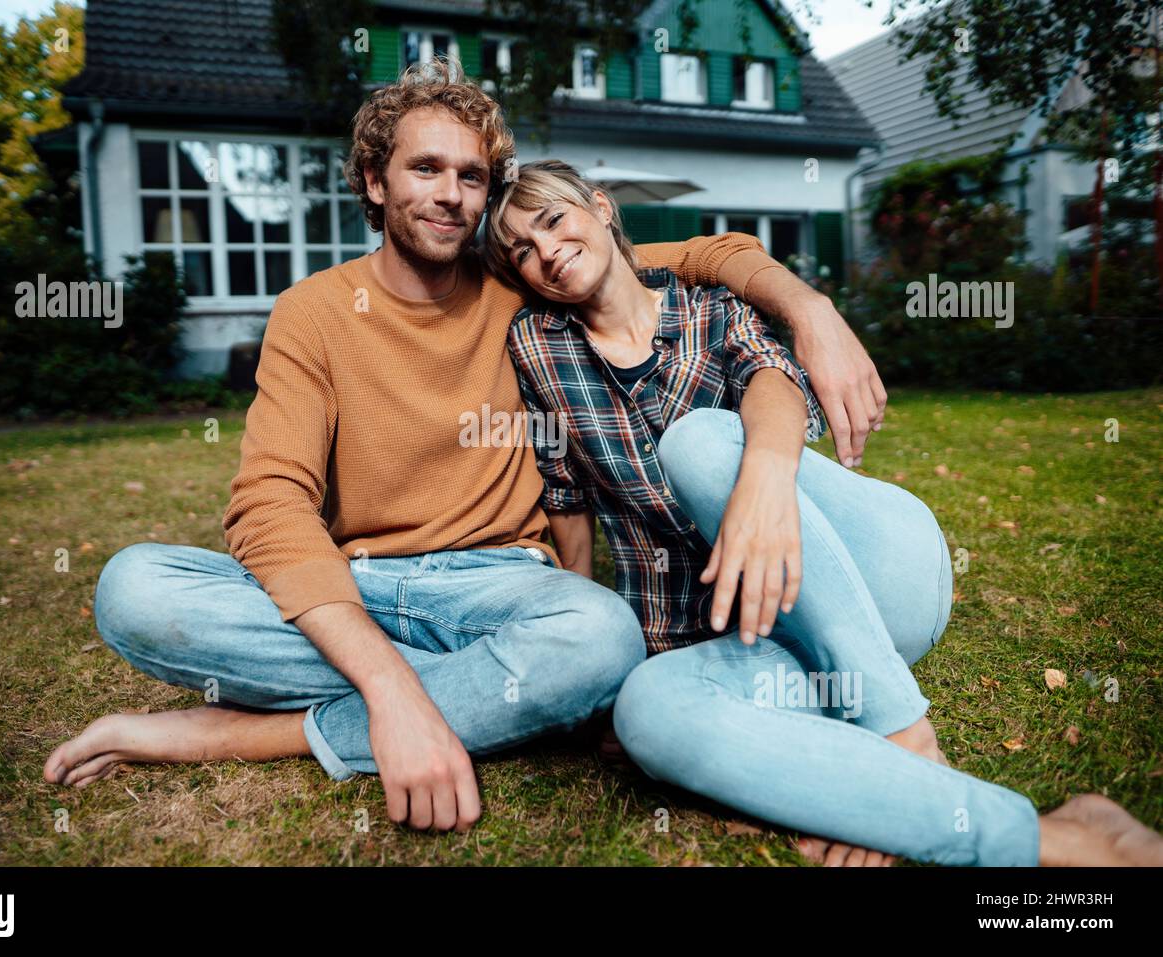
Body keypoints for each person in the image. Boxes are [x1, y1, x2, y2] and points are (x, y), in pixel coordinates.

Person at [43, 57, 888, 834]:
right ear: (374, 181)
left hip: (508, 590)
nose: (450, 194)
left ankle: (251, 732)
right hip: (361, 583)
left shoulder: (524, 281)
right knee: (136, 589)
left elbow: (706, 254)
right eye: (425, 168)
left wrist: (808, 310)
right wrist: (389, 686)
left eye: (471, 176)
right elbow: (270, 505)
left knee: (598, 634)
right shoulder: (314, 312)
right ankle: (466, 692)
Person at [485, 157, 1163, 865]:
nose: (546, 253)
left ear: (600, 207)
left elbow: (772, 377)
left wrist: (765, 478)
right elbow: (566, 495)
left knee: (701, 443)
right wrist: (598, 667)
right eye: (522, 252)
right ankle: (1044, 832)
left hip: (878, 577)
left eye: (554, 221)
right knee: (650, 711)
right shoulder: (538, 344)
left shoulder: (709, 303)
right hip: (757, 639)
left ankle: (902, 732)